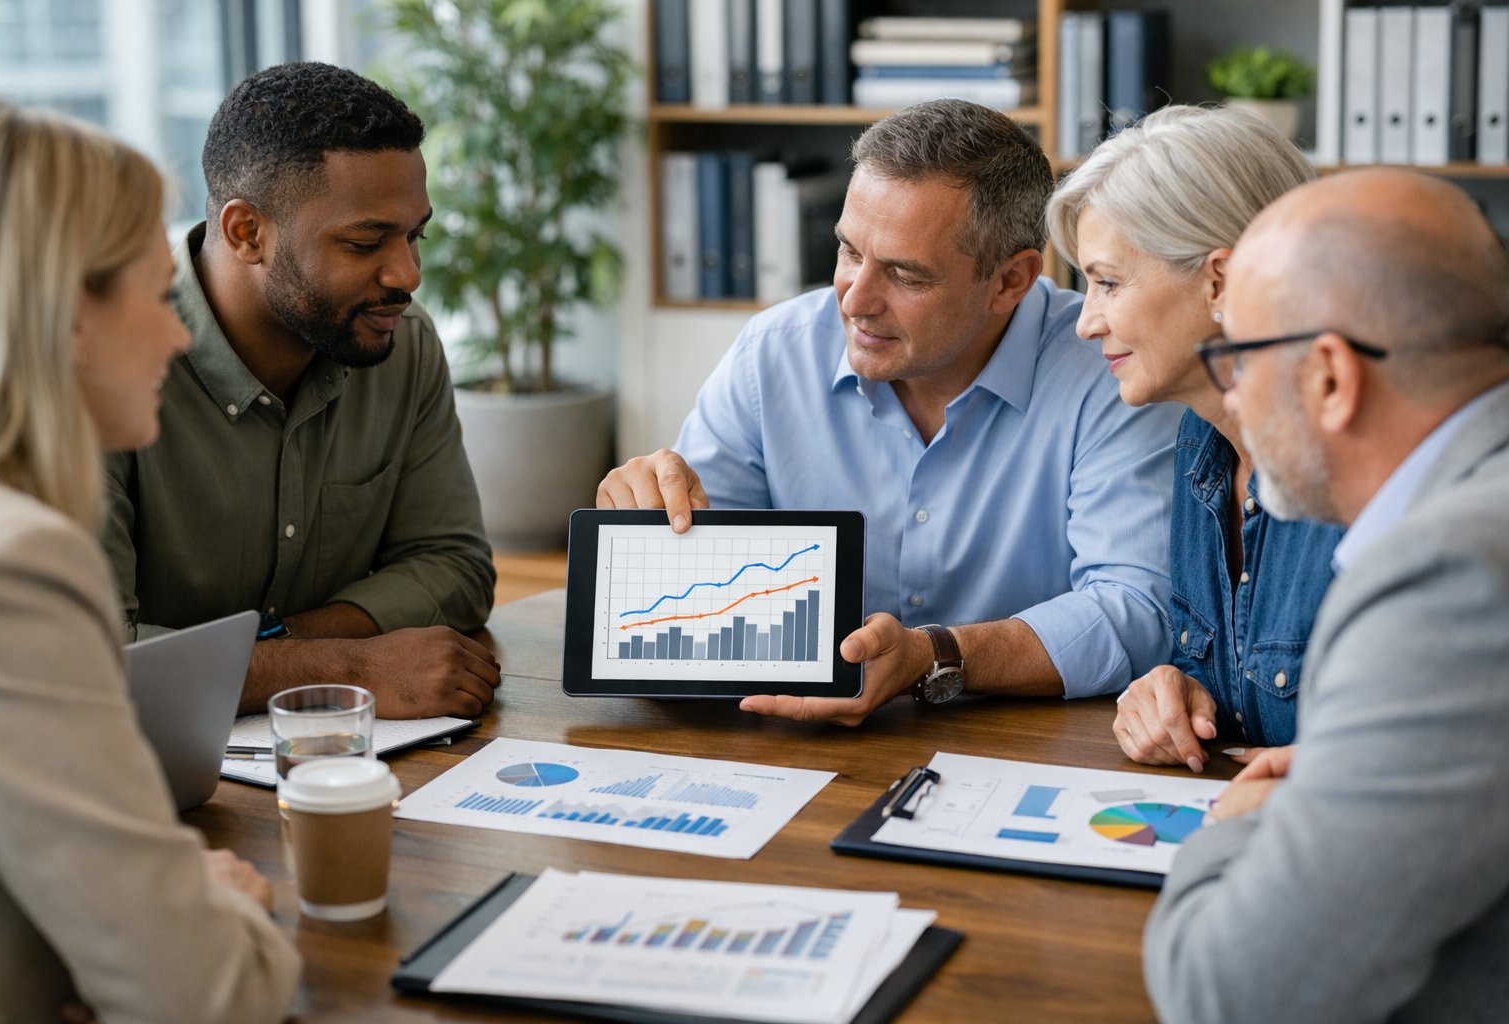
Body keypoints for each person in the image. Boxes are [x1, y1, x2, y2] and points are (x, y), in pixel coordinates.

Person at [600, 99, 1180, 722]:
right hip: (802, 748)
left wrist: (934, 657)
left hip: (1033, 745)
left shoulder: (1112, 369)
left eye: (905, 275)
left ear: (1010, 281)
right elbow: (691, 605)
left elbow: (1136, 608)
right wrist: (649, 531)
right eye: (850, 252)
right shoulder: (771, 357)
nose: (854, 299)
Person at [1143, 169, 1509, 1022]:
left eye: (1234, 359)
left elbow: (1230, 995)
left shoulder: (1449, 578)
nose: (1226, 397)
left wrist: (1238, 825)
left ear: (1332, 379)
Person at [0, 99, 298, 1023]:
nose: (179, 335)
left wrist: (151, 893)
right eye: (158, 298)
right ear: (68, 314)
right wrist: (221, 911)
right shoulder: (13, 566)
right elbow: (208, 996)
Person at [102, 62, 501, 719]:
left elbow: (454, 565)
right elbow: (88, 659)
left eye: (415, 235)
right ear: (246, 233)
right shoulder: (102, 359)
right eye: (366, 241)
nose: (407, 274)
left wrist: (283, 645)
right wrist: (345, 668)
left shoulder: (403, 342)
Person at [1046, 105, 1343, 772]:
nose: (1086, 323)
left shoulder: (1355, 467)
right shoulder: (1198, 441)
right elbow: (1222, 665)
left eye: (1107, 283)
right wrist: (1174, 688)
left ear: (1220, 281)